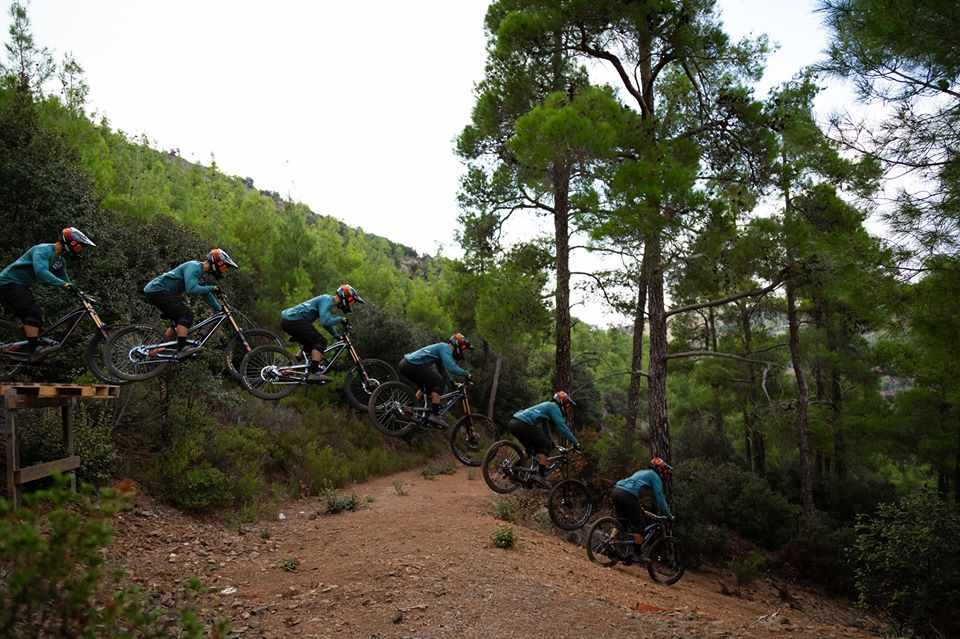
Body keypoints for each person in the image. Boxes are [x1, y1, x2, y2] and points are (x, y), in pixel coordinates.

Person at [0, 227, 96, 358]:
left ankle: (24, 345)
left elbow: (66, 281)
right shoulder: (43, 250)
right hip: (8, 283)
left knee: (38, 318)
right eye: (81, 246)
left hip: (20, 286)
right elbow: (42, 273)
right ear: (71, 243)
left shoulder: (59, 260)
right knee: (33, 313)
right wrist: (65, 285)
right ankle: (33, 349)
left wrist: (80, 293)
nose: (82, 250)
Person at [142, 248, 238, 358]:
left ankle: (156, 351)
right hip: (157, 290)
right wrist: (212, 288)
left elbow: (205, 294)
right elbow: (191, 289)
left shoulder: (199, 273)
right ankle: (181, 348)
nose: (224, 270)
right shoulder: (194, 266)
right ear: (217, 262)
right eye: (224, 266)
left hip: (159, 292)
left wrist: (219, 308)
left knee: (177, 324)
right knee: (186, 315)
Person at [280, 284, 365, 382]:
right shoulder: (327, 300)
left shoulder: (328, 301)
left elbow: (326, 324)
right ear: (345, 297)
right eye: (352, 302)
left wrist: (335, 335)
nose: (351, 305)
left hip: (290, 321)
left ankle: (288, 368)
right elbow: (325, 321)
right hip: (294, 320)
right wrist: (340, 319)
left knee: (310, 345)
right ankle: (314, 372)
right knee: (321, 341)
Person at [398, 333, 472, 427]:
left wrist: (452, 383)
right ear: (457, 344)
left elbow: (443, 371)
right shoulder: (445, 348)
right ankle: (435, 415)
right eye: (464, 348)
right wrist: (467, 373)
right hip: (412, 365)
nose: (463, 351)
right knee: (438, 381)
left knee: (428, 385)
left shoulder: (442, 349)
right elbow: (452, 368)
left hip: (406, 364)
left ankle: (409, 407)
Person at [508, 390, 580, 486]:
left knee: (531, 450)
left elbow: (545, 429)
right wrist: (576, 442)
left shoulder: (547, 406)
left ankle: (513, 469)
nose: (568, 408)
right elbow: (562, 427)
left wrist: (552, 443)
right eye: (567, 405)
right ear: (561, 402)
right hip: (523, 424)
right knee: (545, 446)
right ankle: (540, 476)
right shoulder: (553, 407)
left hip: (513, 423)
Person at [613, 457, 674, 557]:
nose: (665, 474)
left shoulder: (642, 472)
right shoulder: (655, 477)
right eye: (665, 470)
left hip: (617, 490)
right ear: (660, 469)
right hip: (628, 495)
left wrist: (639, 507)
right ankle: (637, 554)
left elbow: (633, 487)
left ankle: (610, 543)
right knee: (640, 526)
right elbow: (660, 497)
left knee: (620, 522)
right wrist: (669, 515)